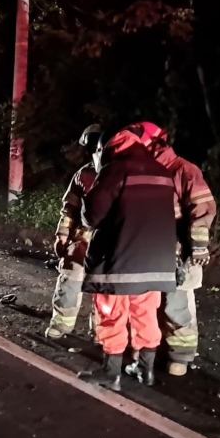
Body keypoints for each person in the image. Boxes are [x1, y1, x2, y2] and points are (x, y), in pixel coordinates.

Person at [78, 123, 177, 391]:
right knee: (146, 315)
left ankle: (111, 373)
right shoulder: (162, 171)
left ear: (107, 147)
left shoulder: (115, 170)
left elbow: (92, 217)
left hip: (119, 263)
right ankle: (145, 370)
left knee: (111, 315)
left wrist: (88, 192)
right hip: (156, 265)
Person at [140, 122, 217, 377]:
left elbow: (202, 210)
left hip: (179, 255)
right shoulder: (145, 171)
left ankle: (180, 357)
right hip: (153, 252)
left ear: (154, 143)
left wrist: (196, 248)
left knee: (177, 305)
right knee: (152, 305)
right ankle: (158, 350)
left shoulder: (184, 170)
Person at [45, 124, 102, 339]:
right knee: (71, 280)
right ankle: (62, 325)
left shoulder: (113, 174)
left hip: (103, 241)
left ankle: (101, 333)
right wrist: (62, 235)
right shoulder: (83, 174)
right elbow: (70, 208)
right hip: (85, 240)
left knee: (102, 287)